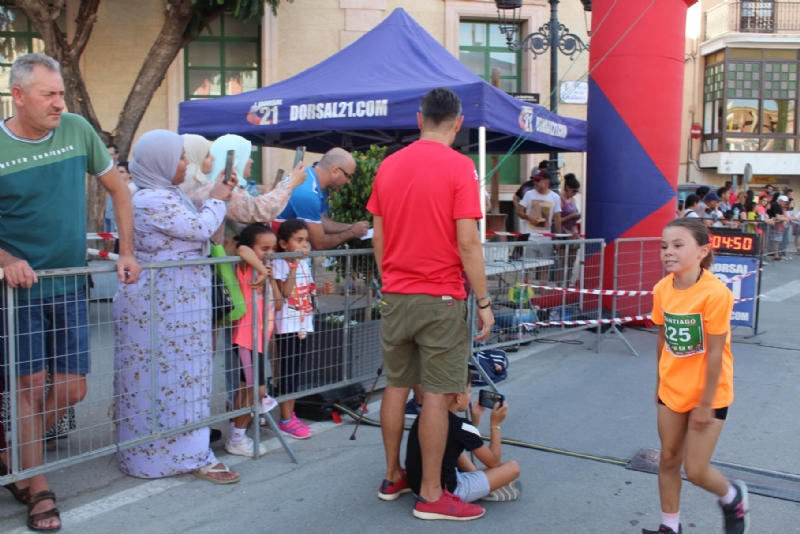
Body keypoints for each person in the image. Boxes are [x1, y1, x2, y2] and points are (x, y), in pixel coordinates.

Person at [0, 53, 140, 532]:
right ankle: (37, 485)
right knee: (29, 388)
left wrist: (126, 250)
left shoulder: (78, 129)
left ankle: (14, 454)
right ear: (18, 96)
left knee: (72, 388)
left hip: (68, 284)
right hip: (18, 292)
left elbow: (120, 191)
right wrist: (6, 260)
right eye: (49, 95)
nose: (60, 103)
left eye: (61, 93)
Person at [368, 87, 494, 521]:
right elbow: (467, 241)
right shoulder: (461, 166)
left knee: (397, 386)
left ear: (420, 117)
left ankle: (392, 476)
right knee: (438, 396)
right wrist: (484, 300)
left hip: (397, 294)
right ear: (458, 123)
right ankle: (431, 495)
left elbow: (379, 238)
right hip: (440, 297)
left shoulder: (389, 165)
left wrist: (393, 281)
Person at [113, 129, 238, 484]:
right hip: (163, 309)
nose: (186, 163)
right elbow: (200, 229)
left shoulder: (168, 195)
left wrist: (219, 199)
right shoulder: (151, 198)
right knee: (165, 380)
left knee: (185, 380)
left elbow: (208, 235)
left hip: (179, 308)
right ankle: (159, 458)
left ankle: (188, 451)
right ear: (161, 162)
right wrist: (215, 197)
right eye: (180, 157)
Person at [643, 218, 749, 534]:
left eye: (677, 245)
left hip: (709, 394)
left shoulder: (716, 294)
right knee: (668, 459)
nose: (668, 252)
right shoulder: (662, 289)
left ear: (703, 251)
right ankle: (669, 527)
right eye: (664, 246)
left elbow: (716, 352)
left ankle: (732, 497)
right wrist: (660, 383)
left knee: (697, 470)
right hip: (672, 391)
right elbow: (663, 338)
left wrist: (704, 403)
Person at [405, 379, 520, 510]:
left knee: (452, 448)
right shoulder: (462, 426)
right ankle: (480, 489)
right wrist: (495, 424)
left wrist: (473, 423)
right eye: (469, 392)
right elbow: (493, 461)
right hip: (449, 491)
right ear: (458, 398)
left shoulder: (425, 416)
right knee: (513, 467)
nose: (470, 396)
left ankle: (478, 479)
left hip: (418, 487)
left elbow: (458, 438)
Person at [272, 219, 335, 439]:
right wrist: (292, 266)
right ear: (283, 243)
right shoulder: (281, 262)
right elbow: (286, 292)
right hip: (287, 324)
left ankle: (291, 413)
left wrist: (322, 290)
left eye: (306, 240)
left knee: (296, 371)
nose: (304, 245)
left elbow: (306, 290)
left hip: (303, 322)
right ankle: (286, 418)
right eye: (298, 240)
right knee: (287, 372)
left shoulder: (304, 263)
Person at [227, 224, 282, 457]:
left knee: (247, 390)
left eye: (273, 248)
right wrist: (262, 269)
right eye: (264, 248)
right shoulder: (248, 265)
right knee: (256, 391)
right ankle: (237, 438)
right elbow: (241, 250)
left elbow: (278, 303)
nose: (269, 252)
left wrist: (269, 278)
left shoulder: (264, 271)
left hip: (258, 340)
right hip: (247, 339)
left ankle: (236, 435)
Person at [275, 147, 369, 250]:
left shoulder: (310, 177)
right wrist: (351, 233)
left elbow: (319, 221)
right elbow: (319, 244)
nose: (348, 181)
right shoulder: (308, 194)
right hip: (277, 258)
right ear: (335, 171)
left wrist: (351, 227)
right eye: (348, 176)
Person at [519, 171, 562, 281]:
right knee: (527, 268)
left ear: (546, 181)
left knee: (544, 268)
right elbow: (519, 212)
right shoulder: (529, 194)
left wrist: (558, 237)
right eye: (534, 180)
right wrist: (529, 217)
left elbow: (557, 217)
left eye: (537, 180)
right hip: (530, 237)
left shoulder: (555, 197)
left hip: (546, 238)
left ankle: (543, 295)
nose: (535, 182)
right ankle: (525, 294)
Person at [558, 173, 581, 285]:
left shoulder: (573, 200)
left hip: (573, 234)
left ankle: (567, 285)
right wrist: (571, 216)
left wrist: (577, 216)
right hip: (563, 234)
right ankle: (558, 287)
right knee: (561, 264)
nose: (575, 194)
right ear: (568, 188)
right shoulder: (559, 200)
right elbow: (556, 220)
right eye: (574, 191)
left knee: (571, 264)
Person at [512, 160, 549, 226]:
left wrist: (521, 211)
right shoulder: (535, 188)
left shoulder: (526, 185)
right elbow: (515, 198)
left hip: (532, 217)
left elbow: (515, 198)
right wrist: (521, 211)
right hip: (533, 217)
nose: (535, 182)